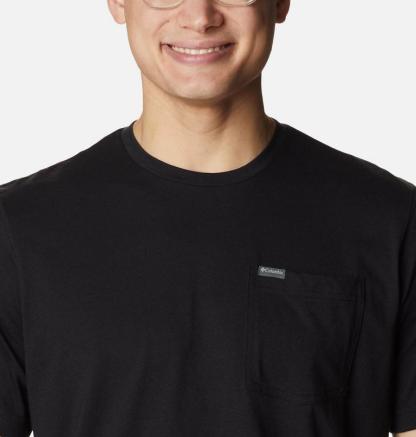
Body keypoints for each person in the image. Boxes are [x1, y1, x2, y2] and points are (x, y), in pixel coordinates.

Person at [0, 0, 415, 435]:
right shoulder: (19, 229)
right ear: (118, 3)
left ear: (280, 3)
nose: (199, 17)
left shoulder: (392, 221)